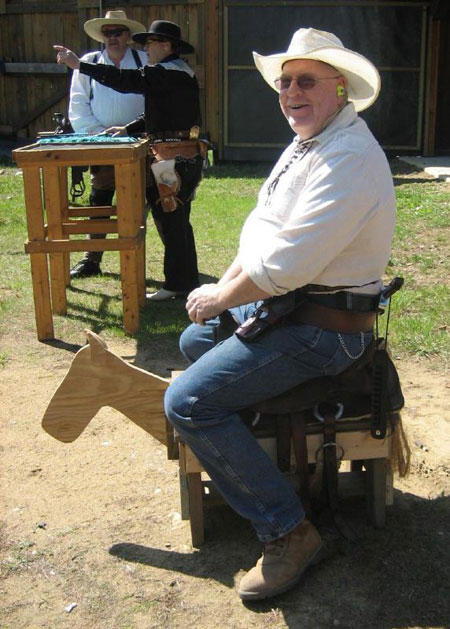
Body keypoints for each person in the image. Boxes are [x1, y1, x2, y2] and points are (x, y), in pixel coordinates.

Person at [161, 27, 395, 601]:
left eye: (306, 81)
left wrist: (222, 296)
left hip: (324, 331)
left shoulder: (349, 157)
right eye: (285, 81)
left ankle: (288, 531)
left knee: (186, 402)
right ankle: (267, 464)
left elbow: (287, 264)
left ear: (339, 89)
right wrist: (226, 287)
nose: (291, 91)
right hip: (293, 310)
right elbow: (265, 233)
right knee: (196, 344)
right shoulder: (311, 141)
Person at [56, 20, 203, 300]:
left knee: (173, 217)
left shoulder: (169, 73)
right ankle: (183, 281)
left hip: (174, 156)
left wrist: (81, 66)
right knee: (173, 216)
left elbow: (126, 81)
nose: (146, 48)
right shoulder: (172, 73)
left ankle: (179, 283)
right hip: (172, 153)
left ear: (166, 45)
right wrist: (128, 129)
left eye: (150, 43)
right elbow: (160, 116)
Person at [67, 10, 147, 279]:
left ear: (128, 36)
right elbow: (78, 105)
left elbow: (156, 103)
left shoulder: (144, 60)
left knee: (142, 201)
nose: (112, 38)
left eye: (118, 32)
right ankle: (92, 258)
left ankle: (136, 258)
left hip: (141, 141)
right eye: (108, 33)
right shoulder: (87, 64)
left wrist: (134, 130)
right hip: (102, 142)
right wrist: (99, 134)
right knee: (99, 200)